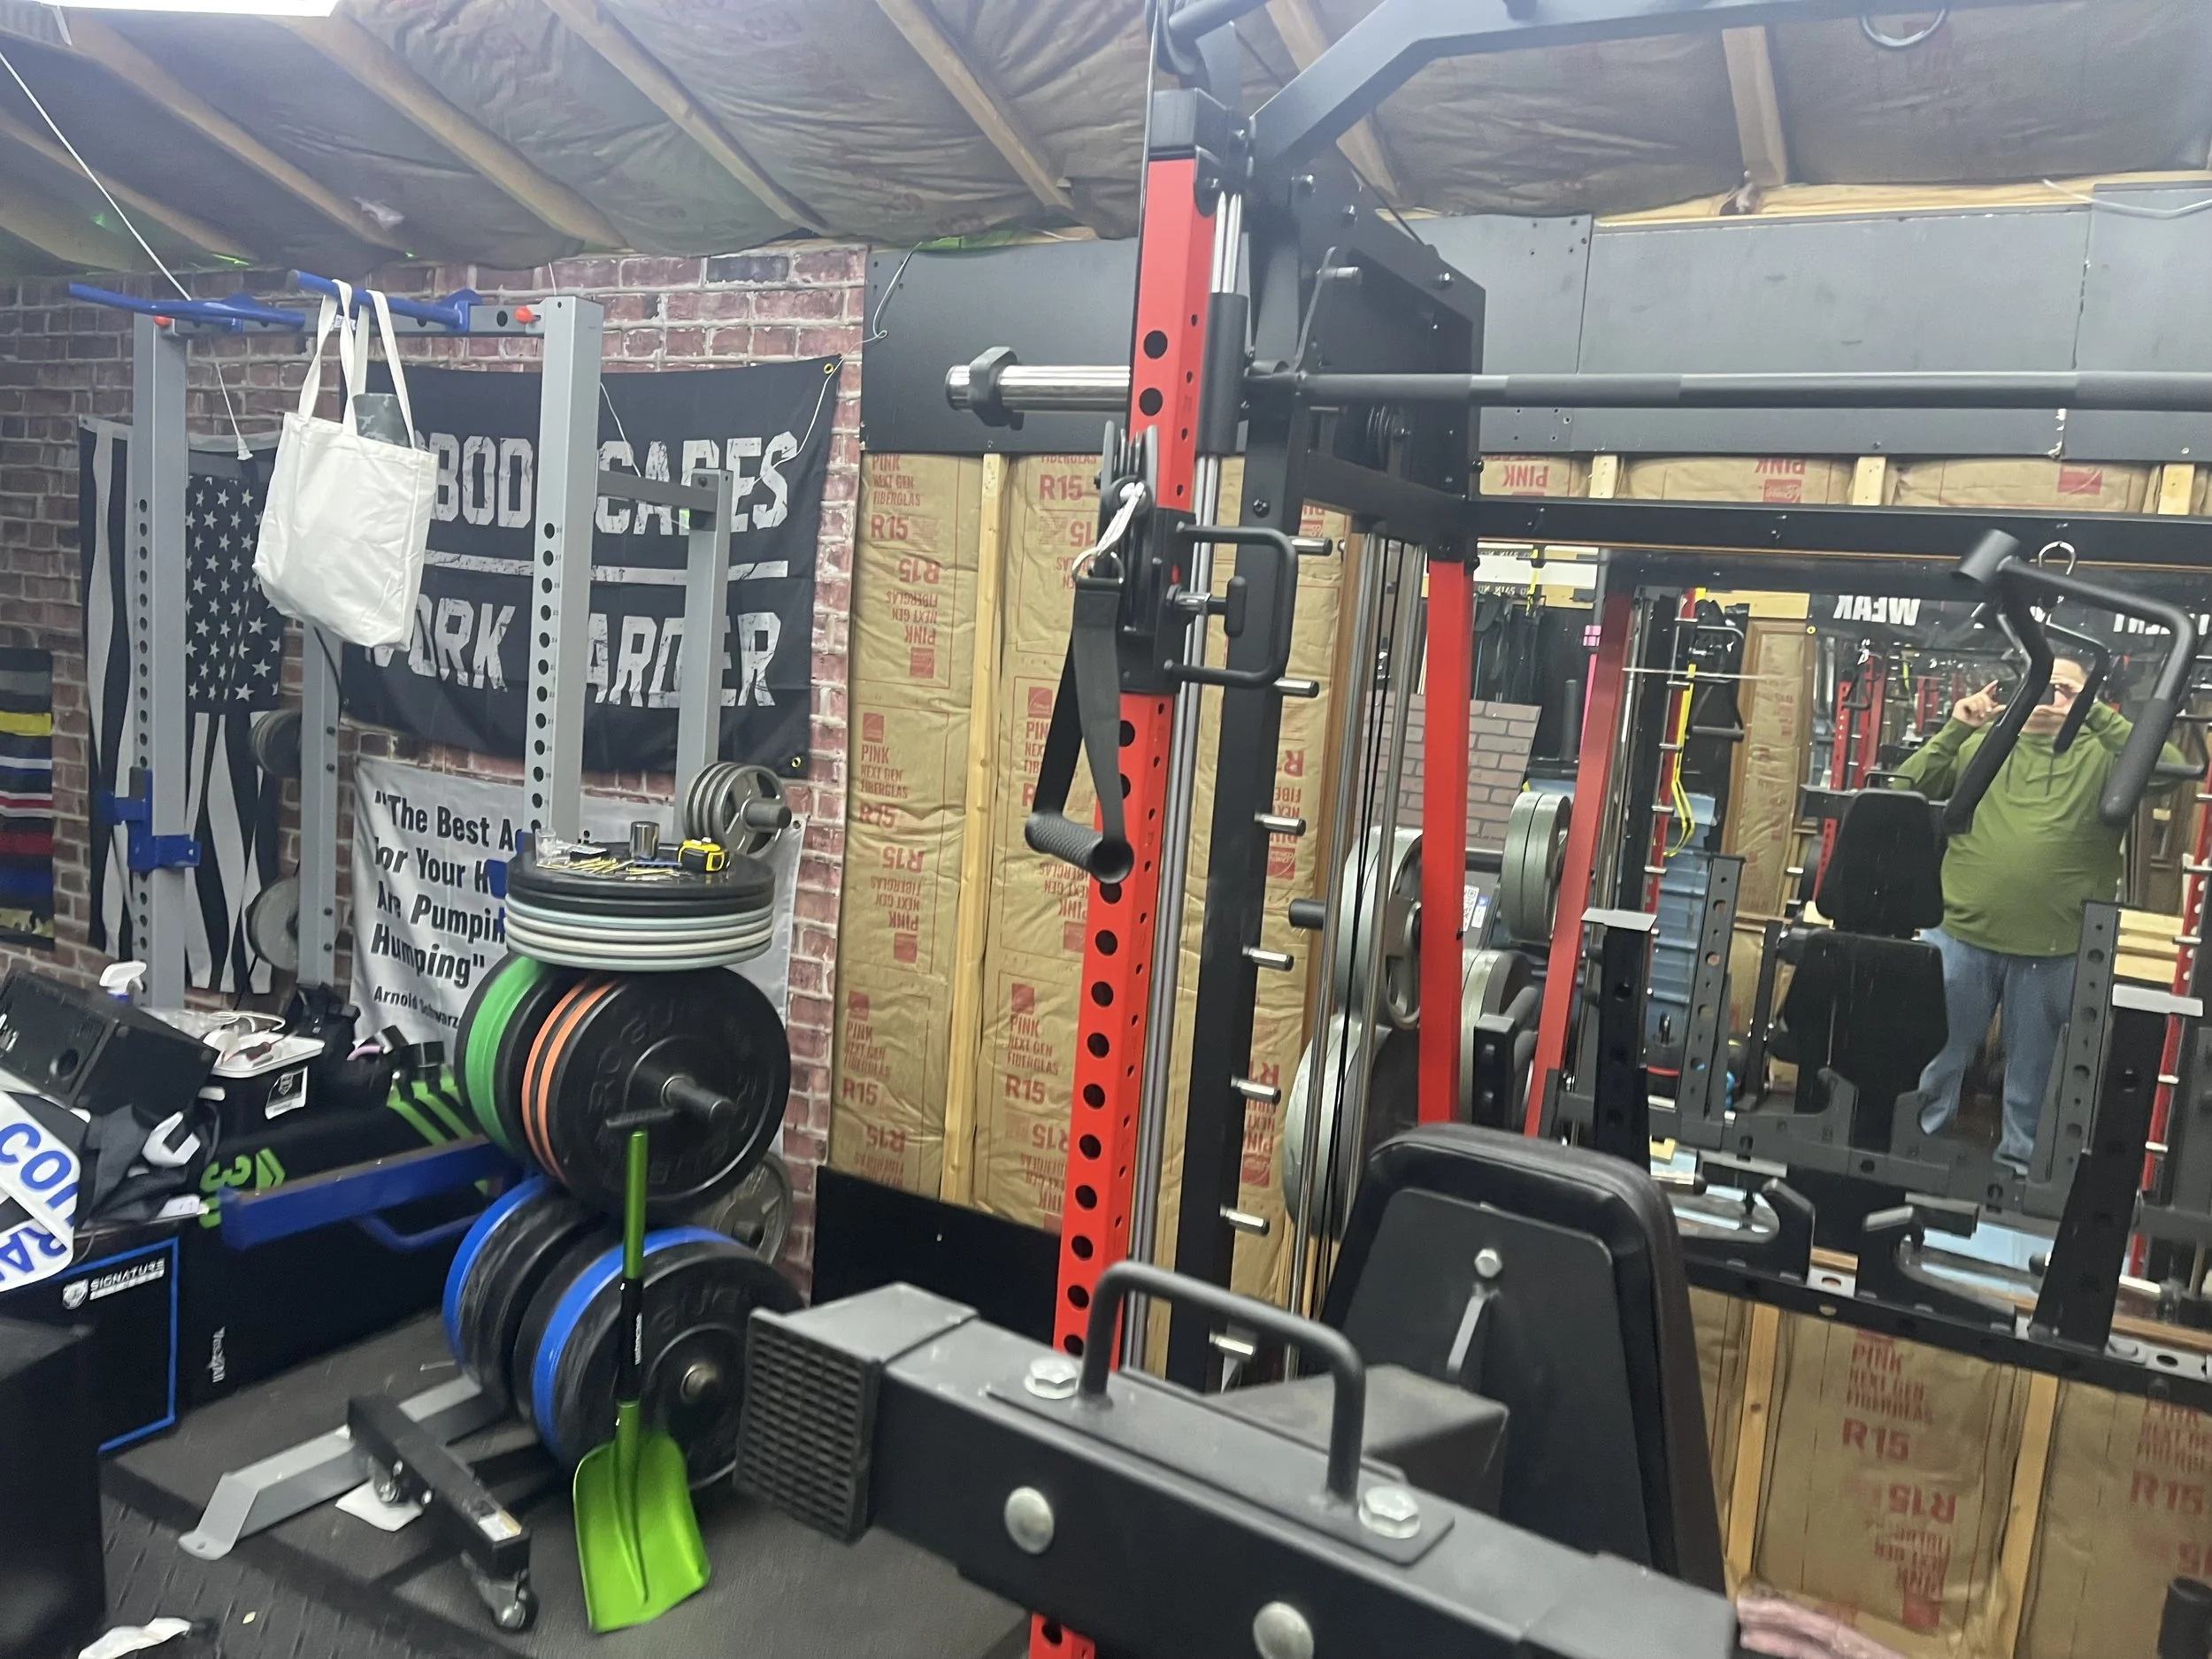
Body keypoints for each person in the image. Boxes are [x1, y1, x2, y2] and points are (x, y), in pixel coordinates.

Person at [1890, 657, 2185, 1169]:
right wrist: (1959, 725)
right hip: (1961, 933)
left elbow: (2170, 768)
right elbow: (1899, 792)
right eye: (2039, 685)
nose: (2049, 698)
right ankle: (1907, 1167)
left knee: (2034, 1084)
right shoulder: (1982, 744)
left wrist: (2091, 712)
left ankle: (2019, 1182)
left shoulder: (2104, 753)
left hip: (2057, 946)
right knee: (1930, 1064)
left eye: (2061, 688)